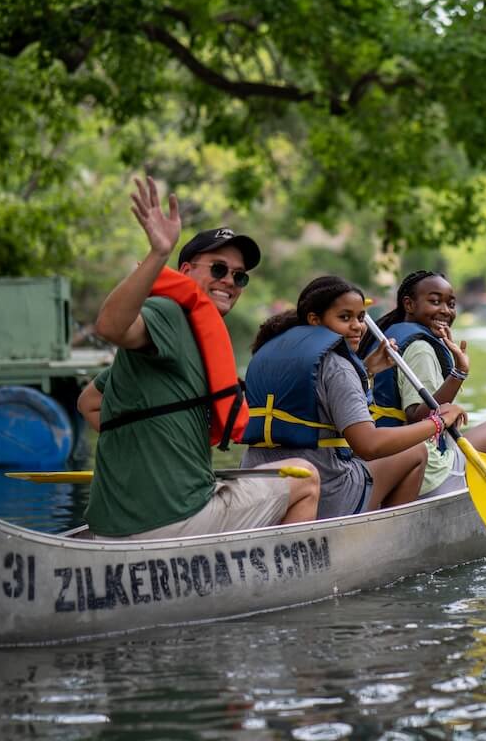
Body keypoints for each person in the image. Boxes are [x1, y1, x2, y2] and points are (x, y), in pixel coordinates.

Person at [78, 175, 320, 541]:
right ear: (186, 271)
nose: (229, 282)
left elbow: (89, 402)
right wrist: (159, 253)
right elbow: (110, 326)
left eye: (240, 277)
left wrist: (155, 456)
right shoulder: (169, 314)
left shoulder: (187, 337)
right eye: (219, 269)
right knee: (305, 477)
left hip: (113, 523)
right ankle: (284, 584)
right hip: (175, 520)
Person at [240, 276, 467, 517]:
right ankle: (387, 536)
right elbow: (369, 445)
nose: (358, 327)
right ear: (314, 320)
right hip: (324, 490)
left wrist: (366, 370)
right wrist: (438, 422)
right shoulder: (338, 366)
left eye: (360, 318)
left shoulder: (266, 354)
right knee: (417, 451)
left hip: (262, 487)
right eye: (344, 318)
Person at [367, 270, 486, 499]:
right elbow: (418, 415)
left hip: (393, 462)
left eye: (451, 303)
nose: (445, 310)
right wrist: (459, 372)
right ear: (409, 304)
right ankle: (477, 503)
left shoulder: (395, 336)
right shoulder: (420, 349)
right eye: (435, 302)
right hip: (429, 470)